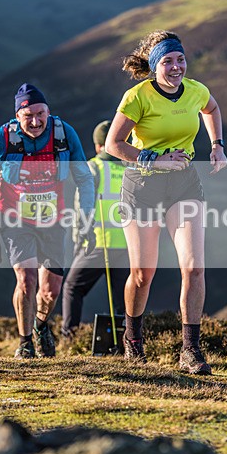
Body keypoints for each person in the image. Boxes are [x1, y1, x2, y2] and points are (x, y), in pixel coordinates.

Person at [105, 30, 227, 375]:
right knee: (143, 274)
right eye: (168, 61)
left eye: (180, 59)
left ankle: (190, 351)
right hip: (142, 186)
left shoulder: (196, 91)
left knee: (194, 267)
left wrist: (217, 145)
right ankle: (133, 340)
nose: (176, 67)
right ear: (155, 65)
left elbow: (212, 107)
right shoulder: (137, 97)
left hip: (184, 183)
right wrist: (153, 159)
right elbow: (114, 144)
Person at [0, 83, 96, 359]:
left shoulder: (64, 135)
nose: (35, 121)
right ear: (17, 116)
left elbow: (84, 178)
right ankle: (25, 341)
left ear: (48, 112)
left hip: (53, 221)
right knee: (27, 279)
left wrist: (85, 218)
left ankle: (41, 325)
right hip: (15, 219)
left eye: (40, 113)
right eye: (28, 115)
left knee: (51, 290)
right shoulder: (1, 139)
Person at [61, 120, 129, 338]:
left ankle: (68, 337)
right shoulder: (132, 170)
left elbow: (83, 207)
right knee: (124, 298)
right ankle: (126, 343)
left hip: (98, 243)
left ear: (99, 145)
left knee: (73, 287)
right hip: (127, 244)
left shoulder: (92, 167)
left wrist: (78, 239)